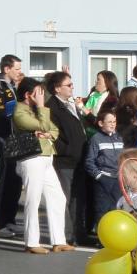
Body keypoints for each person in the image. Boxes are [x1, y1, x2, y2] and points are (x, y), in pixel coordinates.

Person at [13, 78, 74, 254]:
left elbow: (53, 129)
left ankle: (59, 240)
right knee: (33, 199)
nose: (42, 97)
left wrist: (45, 131)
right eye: (38, 94)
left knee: (58, 197)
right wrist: (41, 111)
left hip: (46, 156)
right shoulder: (19, 111)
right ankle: (32, 243)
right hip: (31, 158)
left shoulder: (36, 111)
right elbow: (43, 124)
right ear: (27, 95)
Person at [45, 71, 88, 246]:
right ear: (57, 89)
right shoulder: (52, 107)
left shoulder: (69, 104)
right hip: (65, 161)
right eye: (68, 85)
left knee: (78, 198)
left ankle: (79, 233)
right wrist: (68, 150)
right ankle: (65, 234)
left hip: (79, 159)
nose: (72, 88)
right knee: (65, 197)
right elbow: (53, 135)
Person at [0, 54, 23, 238]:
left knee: (16, 180)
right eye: (16, 69)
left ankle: (10, 219)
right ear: (6, 69)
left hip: (16, 138)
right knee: (6, 177)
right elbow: (3, 116)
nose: (19, 72)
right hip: (5, 138)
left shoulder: (13, 87)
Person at [84, 110, 124, 237]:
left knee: (116, 209)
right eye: (109, 122)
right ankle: (102, 238)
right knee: (101, 210)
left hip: (117, 179)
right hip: (103, 179)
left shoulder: (118, 137)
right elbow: (89, 161)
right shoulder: (96, 139)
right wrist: (99, 176)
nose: (113, 124)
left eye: (114, 122)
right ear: (101, 123)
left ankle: (114, 236)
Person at [82, 70, 119, 136]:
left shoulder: (112, 101)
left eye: (98, 79)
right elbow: (82, 103)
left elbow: (101, 122)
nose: (96, 81)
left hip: (101, 136)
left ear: (107, 83)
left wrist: (86, 112)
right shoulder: (93, 94)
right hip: (87, 131)